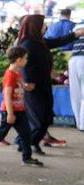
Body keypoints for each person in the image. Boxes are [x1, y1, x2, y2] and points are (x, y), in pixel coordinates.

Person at [16, 14, 83, 154]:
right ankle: (27, 144)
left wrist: (75, 34)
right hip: (33, 87)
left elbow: (58, 41)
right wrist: (28, 81)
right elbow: (24, 65)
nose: (45, 27)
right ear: (35, 27)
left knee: (47, 117)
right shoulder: (27, 44)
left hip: (44, 84)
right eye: (42, 25)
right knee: (39, 120)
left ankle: (29, 142)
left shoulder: (40, 42)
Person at [0, 47, 43, 166]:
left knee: (26, 134)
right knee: (1, 134)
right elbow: (6, 96)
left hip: (20, 110)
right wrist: (10, 114)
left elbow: (19, 86)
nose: (26, 61)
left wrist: (26, 86)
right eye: (25, 59)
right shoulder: (10, 75)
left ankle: (27, 158)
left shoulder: (17, 73)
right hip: (10, 111)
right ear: (18, 60)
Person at [68, 35, 84, 131]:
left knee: (75, 94)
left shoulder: (78, 26)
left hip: (73, 59)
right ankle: (82, 124)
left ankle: (79, 123)